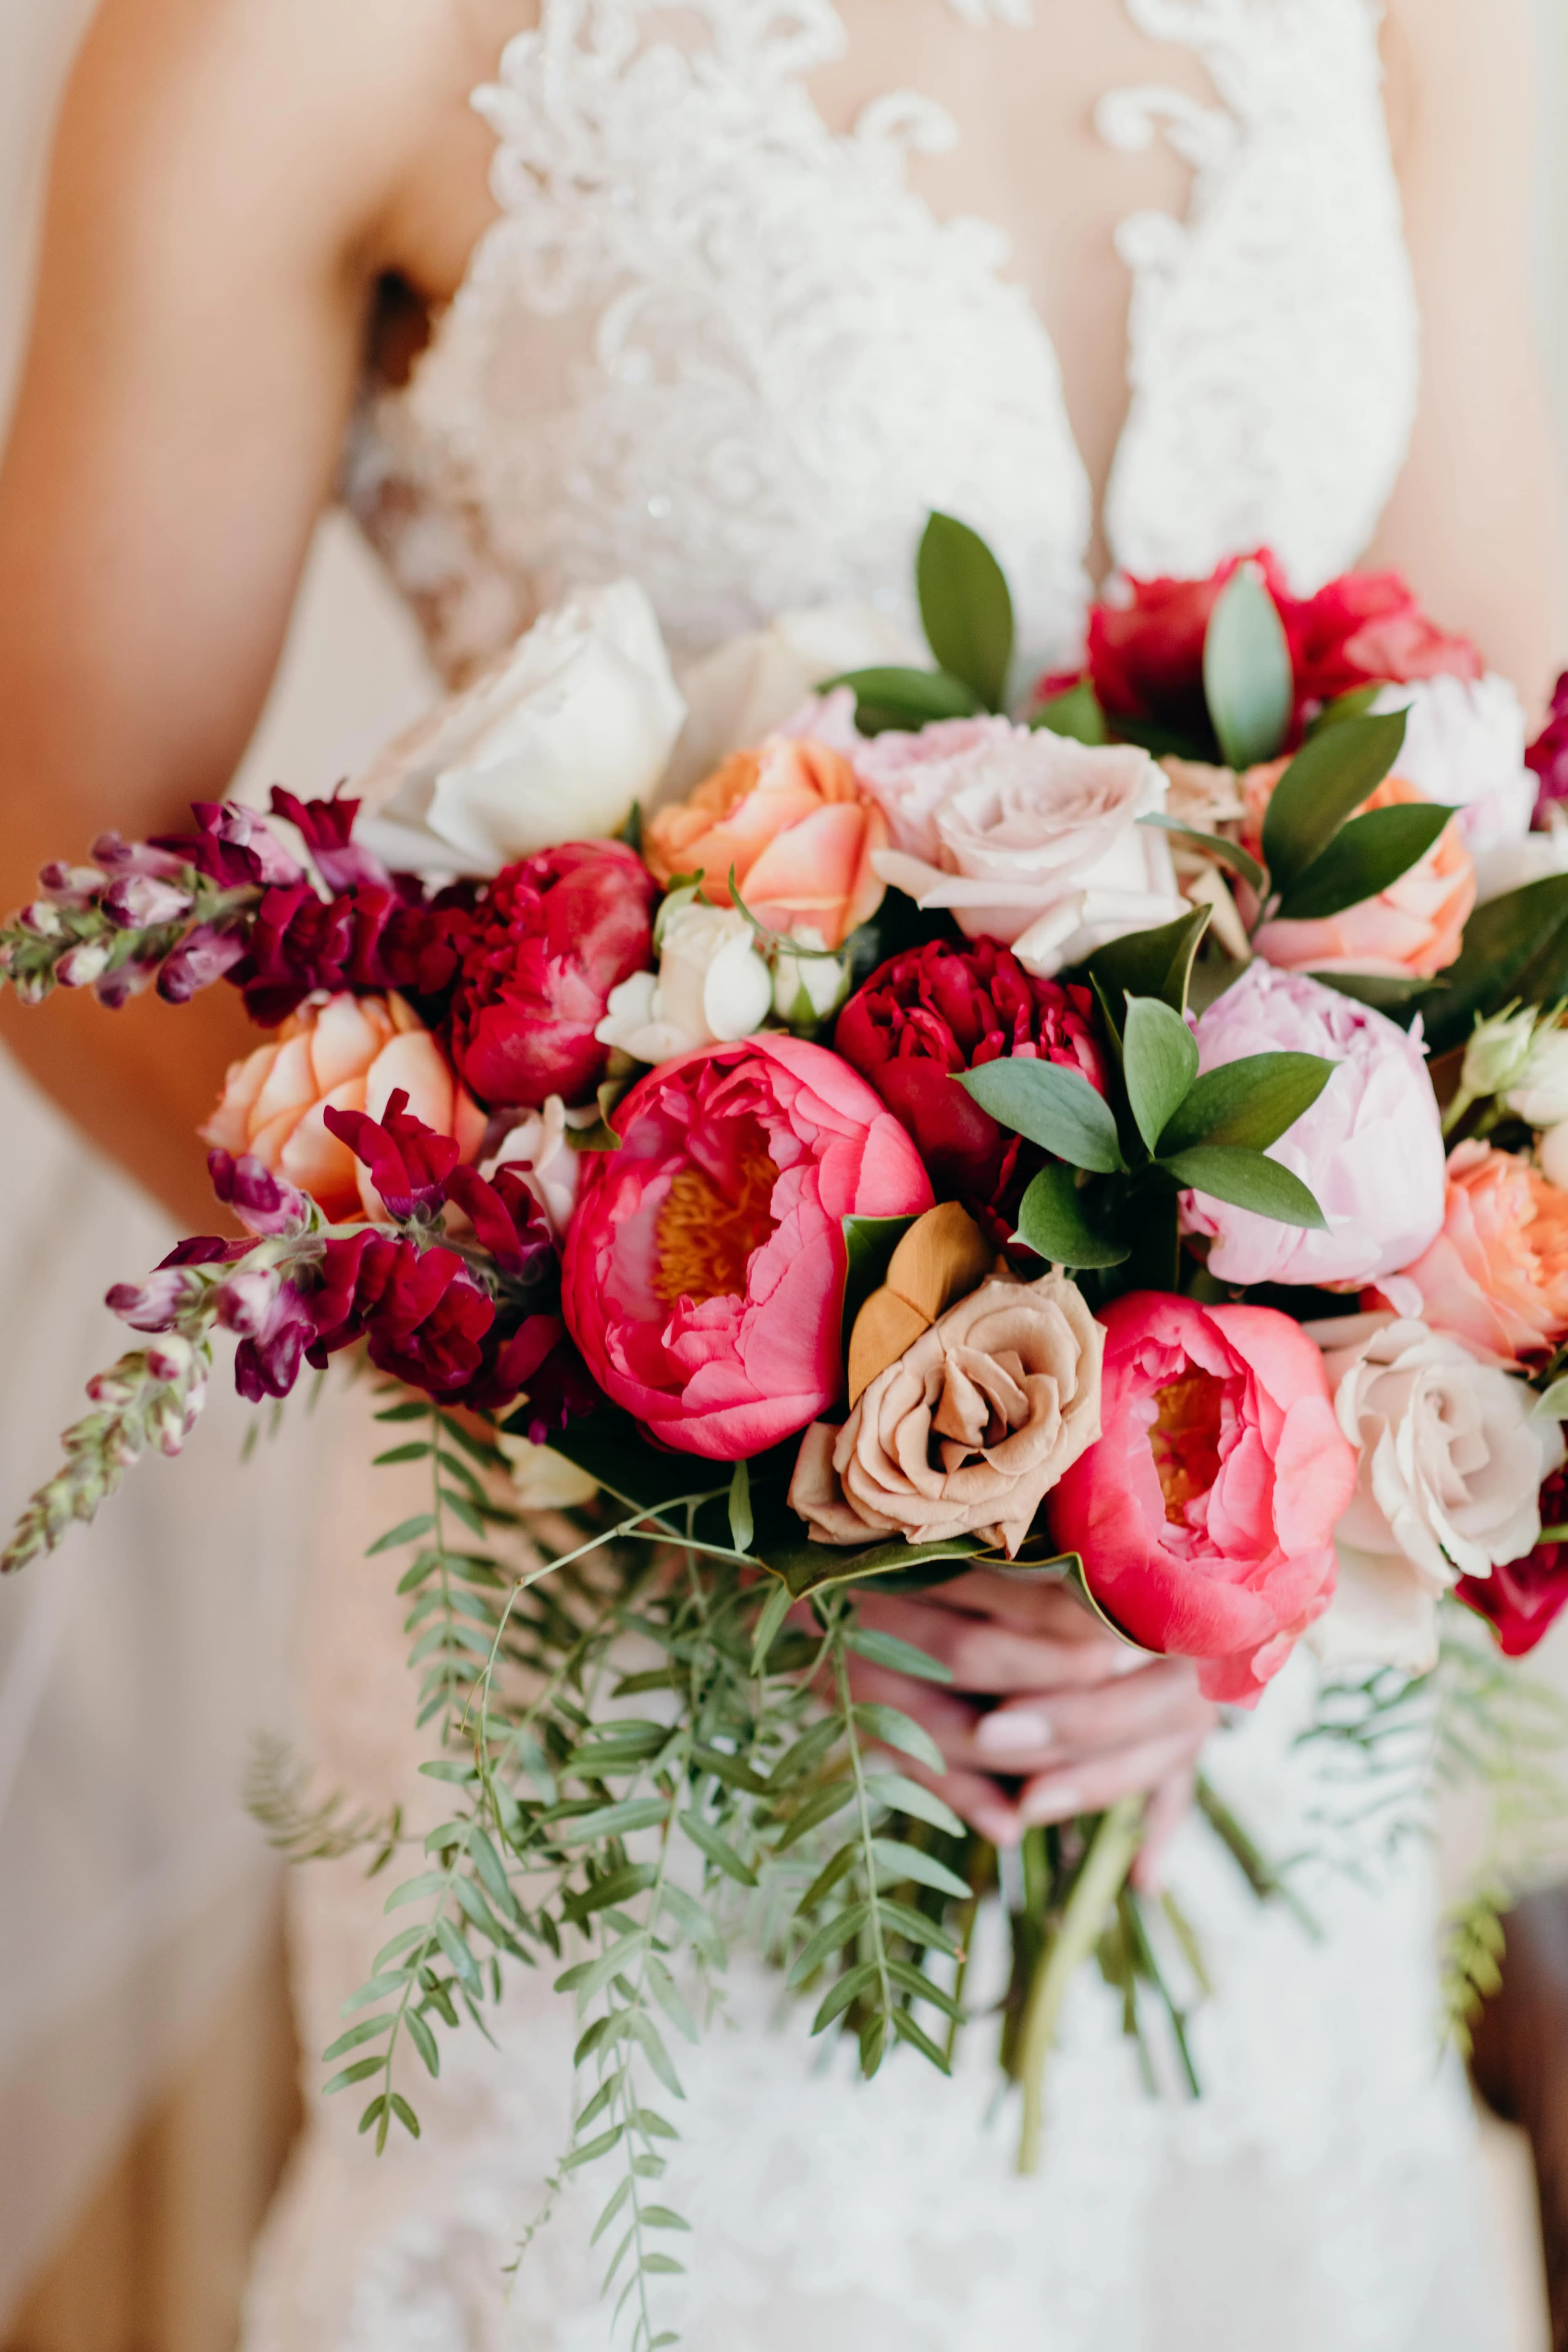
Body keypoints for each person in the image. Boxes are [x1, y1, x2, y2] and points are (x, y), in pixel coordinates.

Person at [0, 1, 1561, 2344]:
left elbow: (1498, 811)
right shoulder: (284, 34)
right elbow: (59, 900)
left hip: (1229, 1629)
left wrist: (1260, 1535)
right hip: (628, 1629)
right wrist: (670, 1400)